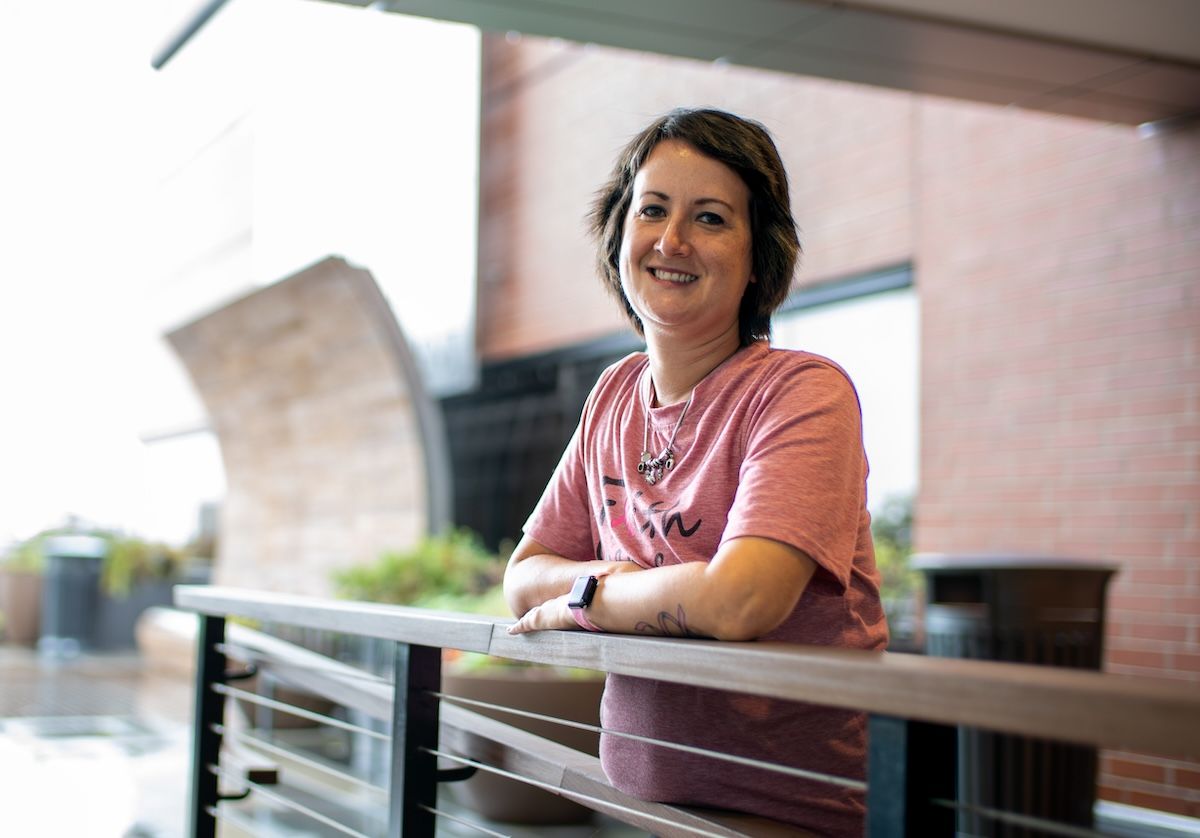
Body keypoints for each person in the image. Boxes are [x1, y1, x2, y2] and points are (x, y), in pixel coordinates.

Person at [503, 107, 887, 836]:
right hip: (639, 803)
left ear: (757, 256)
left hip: (796, 814)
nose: (672, 240)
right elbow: (523, 577)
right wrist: (609, 587)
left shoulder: (802, 392)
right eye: (652, 210)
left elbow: (742, 602)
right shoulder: (614, 394)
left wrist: (584, 595)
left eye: (711, 218)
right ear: (619, 231)